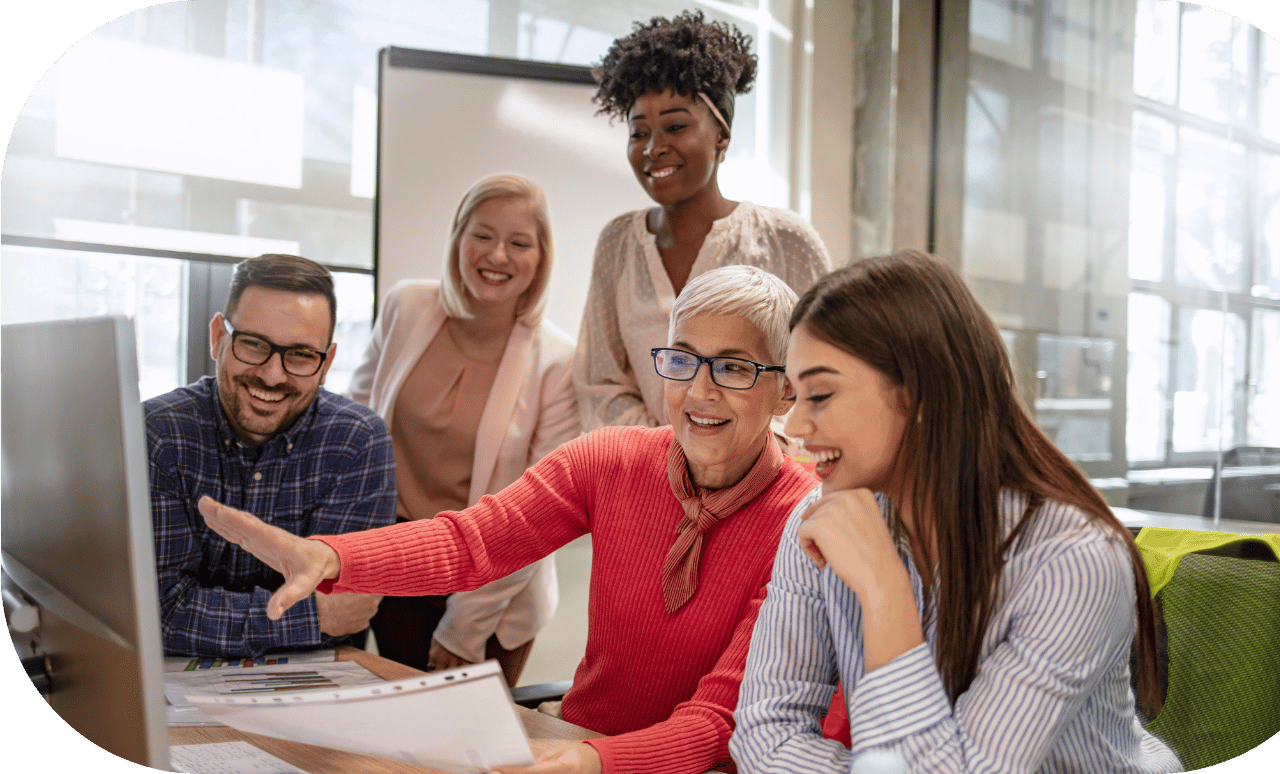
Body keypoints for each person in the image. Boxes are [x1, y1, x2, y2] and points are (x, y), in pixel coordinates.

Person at [198, 266, 818, 774]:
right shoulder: (612, 457)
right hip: (573, 743)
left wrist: (587, 760)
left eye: (734, 368)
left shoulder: (805, 520)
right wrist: (333, 558)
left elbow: (716, 725)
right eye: (682, 360)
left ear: (786, 389)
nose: (700, 391)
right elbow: (473, 542)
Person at [730, 251, 1183, 773]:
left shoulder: (1073, 560)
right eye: (795, 395)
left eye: (821, 395)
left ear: (919, 394)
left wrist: (884, 589)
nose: (797, 426)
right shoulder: (822, 519)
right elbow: (765, 733)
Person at [348, 173, 578, 684]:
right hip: (397, 567)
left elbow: (537, 514)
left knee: (466, 754)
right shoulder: (406, 307)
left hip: (492, 593)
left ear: (540, 259)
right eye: (482, 235)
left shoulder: (558, 362)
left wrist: (464, 628)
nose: (497, 255)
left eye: (519, 243)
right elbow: (352, 429)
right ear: (458, 236)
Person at [574, 10, 833, 431]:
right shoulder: (618, 243)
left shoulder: (785, 241)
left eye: (675, 126)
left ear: (722, 136)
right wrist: (674, 456)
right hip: (648, 476)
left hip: (766, 481)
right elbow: (599, 381)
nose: (653, 148)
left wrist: (736, 459)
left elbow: (820, 375)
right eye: (639, 132)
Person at [144, 253, 397, 657]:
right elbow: (158, 613)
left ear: (326, 362)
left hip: (310, 689)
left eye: (299, 354)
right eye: (253, 344)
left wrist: (212, 616)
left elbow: (348, 612)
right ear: (217, 337)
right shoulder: (157, 435)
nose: (272, 375)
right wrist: (311, 617)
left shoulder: (358, 442)